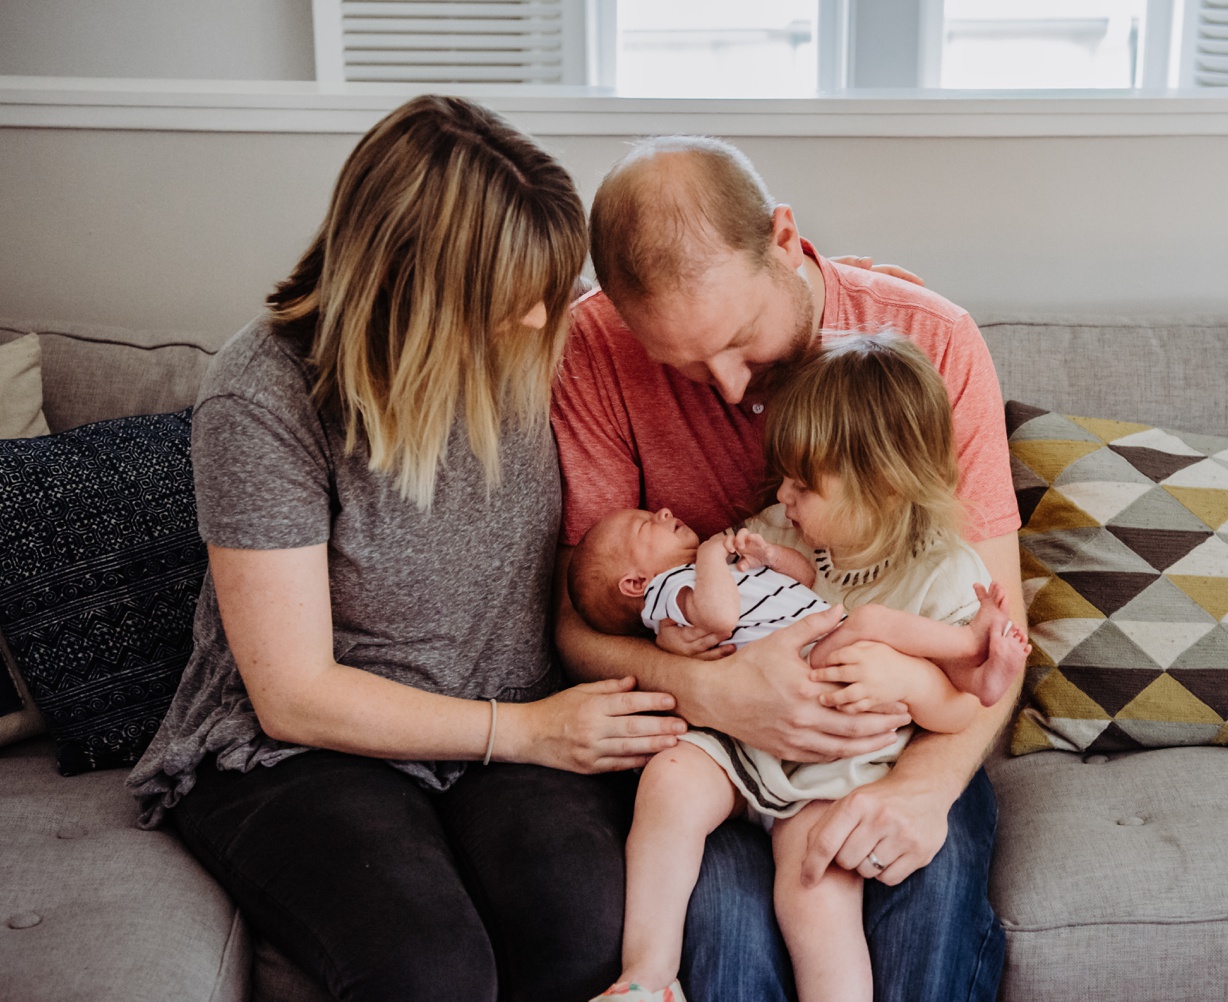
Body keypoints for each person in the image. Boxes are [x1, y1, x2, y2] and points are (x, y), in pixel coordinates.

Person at [125, 95, 688, 1002]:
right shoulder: (266, 398)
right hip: (305, 747)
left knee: (589, 932)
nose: (547, 322)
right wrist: (532, 732)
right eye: (519, 299)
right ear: (415, 285)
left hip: (507, 715)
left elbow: (685, 300)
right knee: (431, 973)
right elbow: (294, 695)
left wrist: (827, 288)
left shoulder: (533, 335)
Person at [551, 135, 1029, 1000]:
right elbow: (578, 623)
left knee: (925, 913)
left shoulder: (929, 346)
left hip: (898, 745)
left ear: (782, 236)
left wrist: (921, 793)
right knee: (730, 943)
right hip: (720, 742)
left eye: (739, 340)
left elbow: (992, 632)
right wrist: (709, 694)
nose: (732, 390)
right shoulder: (592, 352)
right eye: (684, 367)